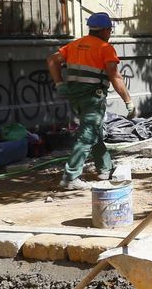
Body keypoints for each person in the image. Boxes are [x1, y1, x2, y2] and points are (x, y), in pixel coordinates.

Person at [47, 12, 135, 190]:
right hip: (93, 97)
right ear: (104, 30)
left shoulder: (74, 45)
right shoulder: (105, 48)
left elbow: (51, 60)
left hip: (75, 97)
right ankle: (71, 177)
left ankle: (105, 168)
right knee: (88, 135)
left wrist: (59, 83)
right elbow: (115, 76)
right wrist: (128, 101)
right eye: (110, 30)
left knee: (93, 131)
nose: (110, 33)